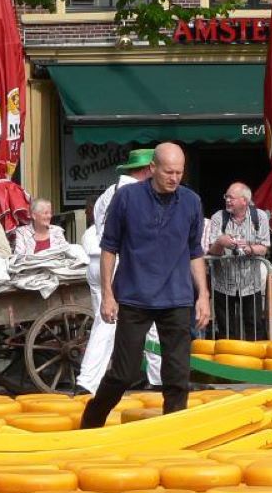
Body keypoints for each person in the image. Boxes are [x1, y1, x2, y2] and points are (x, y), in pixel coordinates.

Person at [80, 142, 209, 428]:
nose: (174, 178)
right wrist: (108, 295)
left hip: (177, 297)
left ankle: (173, 432)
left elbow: (195, 251)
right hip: (135, 297)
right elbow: (109, 248)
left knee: (177, 374)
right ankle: (92, 418)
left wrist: (204, 296)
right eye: (168, 172)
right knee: (124, 372)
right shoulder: (126, 197)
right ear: (152, 169)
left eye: (179, 172)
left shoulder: (191, 201)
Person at [75, 149, 162, 394]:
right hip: (120, 262)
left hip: (100, 260)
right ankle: (88, 381)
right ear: (148, 169)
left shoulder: (108, 193)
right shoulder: (136, 195)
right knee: (110, 323)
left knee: (120, 320)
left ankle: (156, 377)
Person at [206, 182, 270, 340]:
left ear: (244, 201)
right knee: (226, 329)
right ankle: (227, 363)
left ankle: (253, 363)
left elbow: (264, 248)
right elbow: (212, 252)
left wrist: (250, 249)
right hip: (223, 283)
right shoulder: (218, 217)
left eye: (231, 198)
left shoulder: (259, 217)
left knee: (254, 326)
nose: (227, 200)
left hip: (250, 283)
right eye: (226, 196)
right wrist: (221, 242)